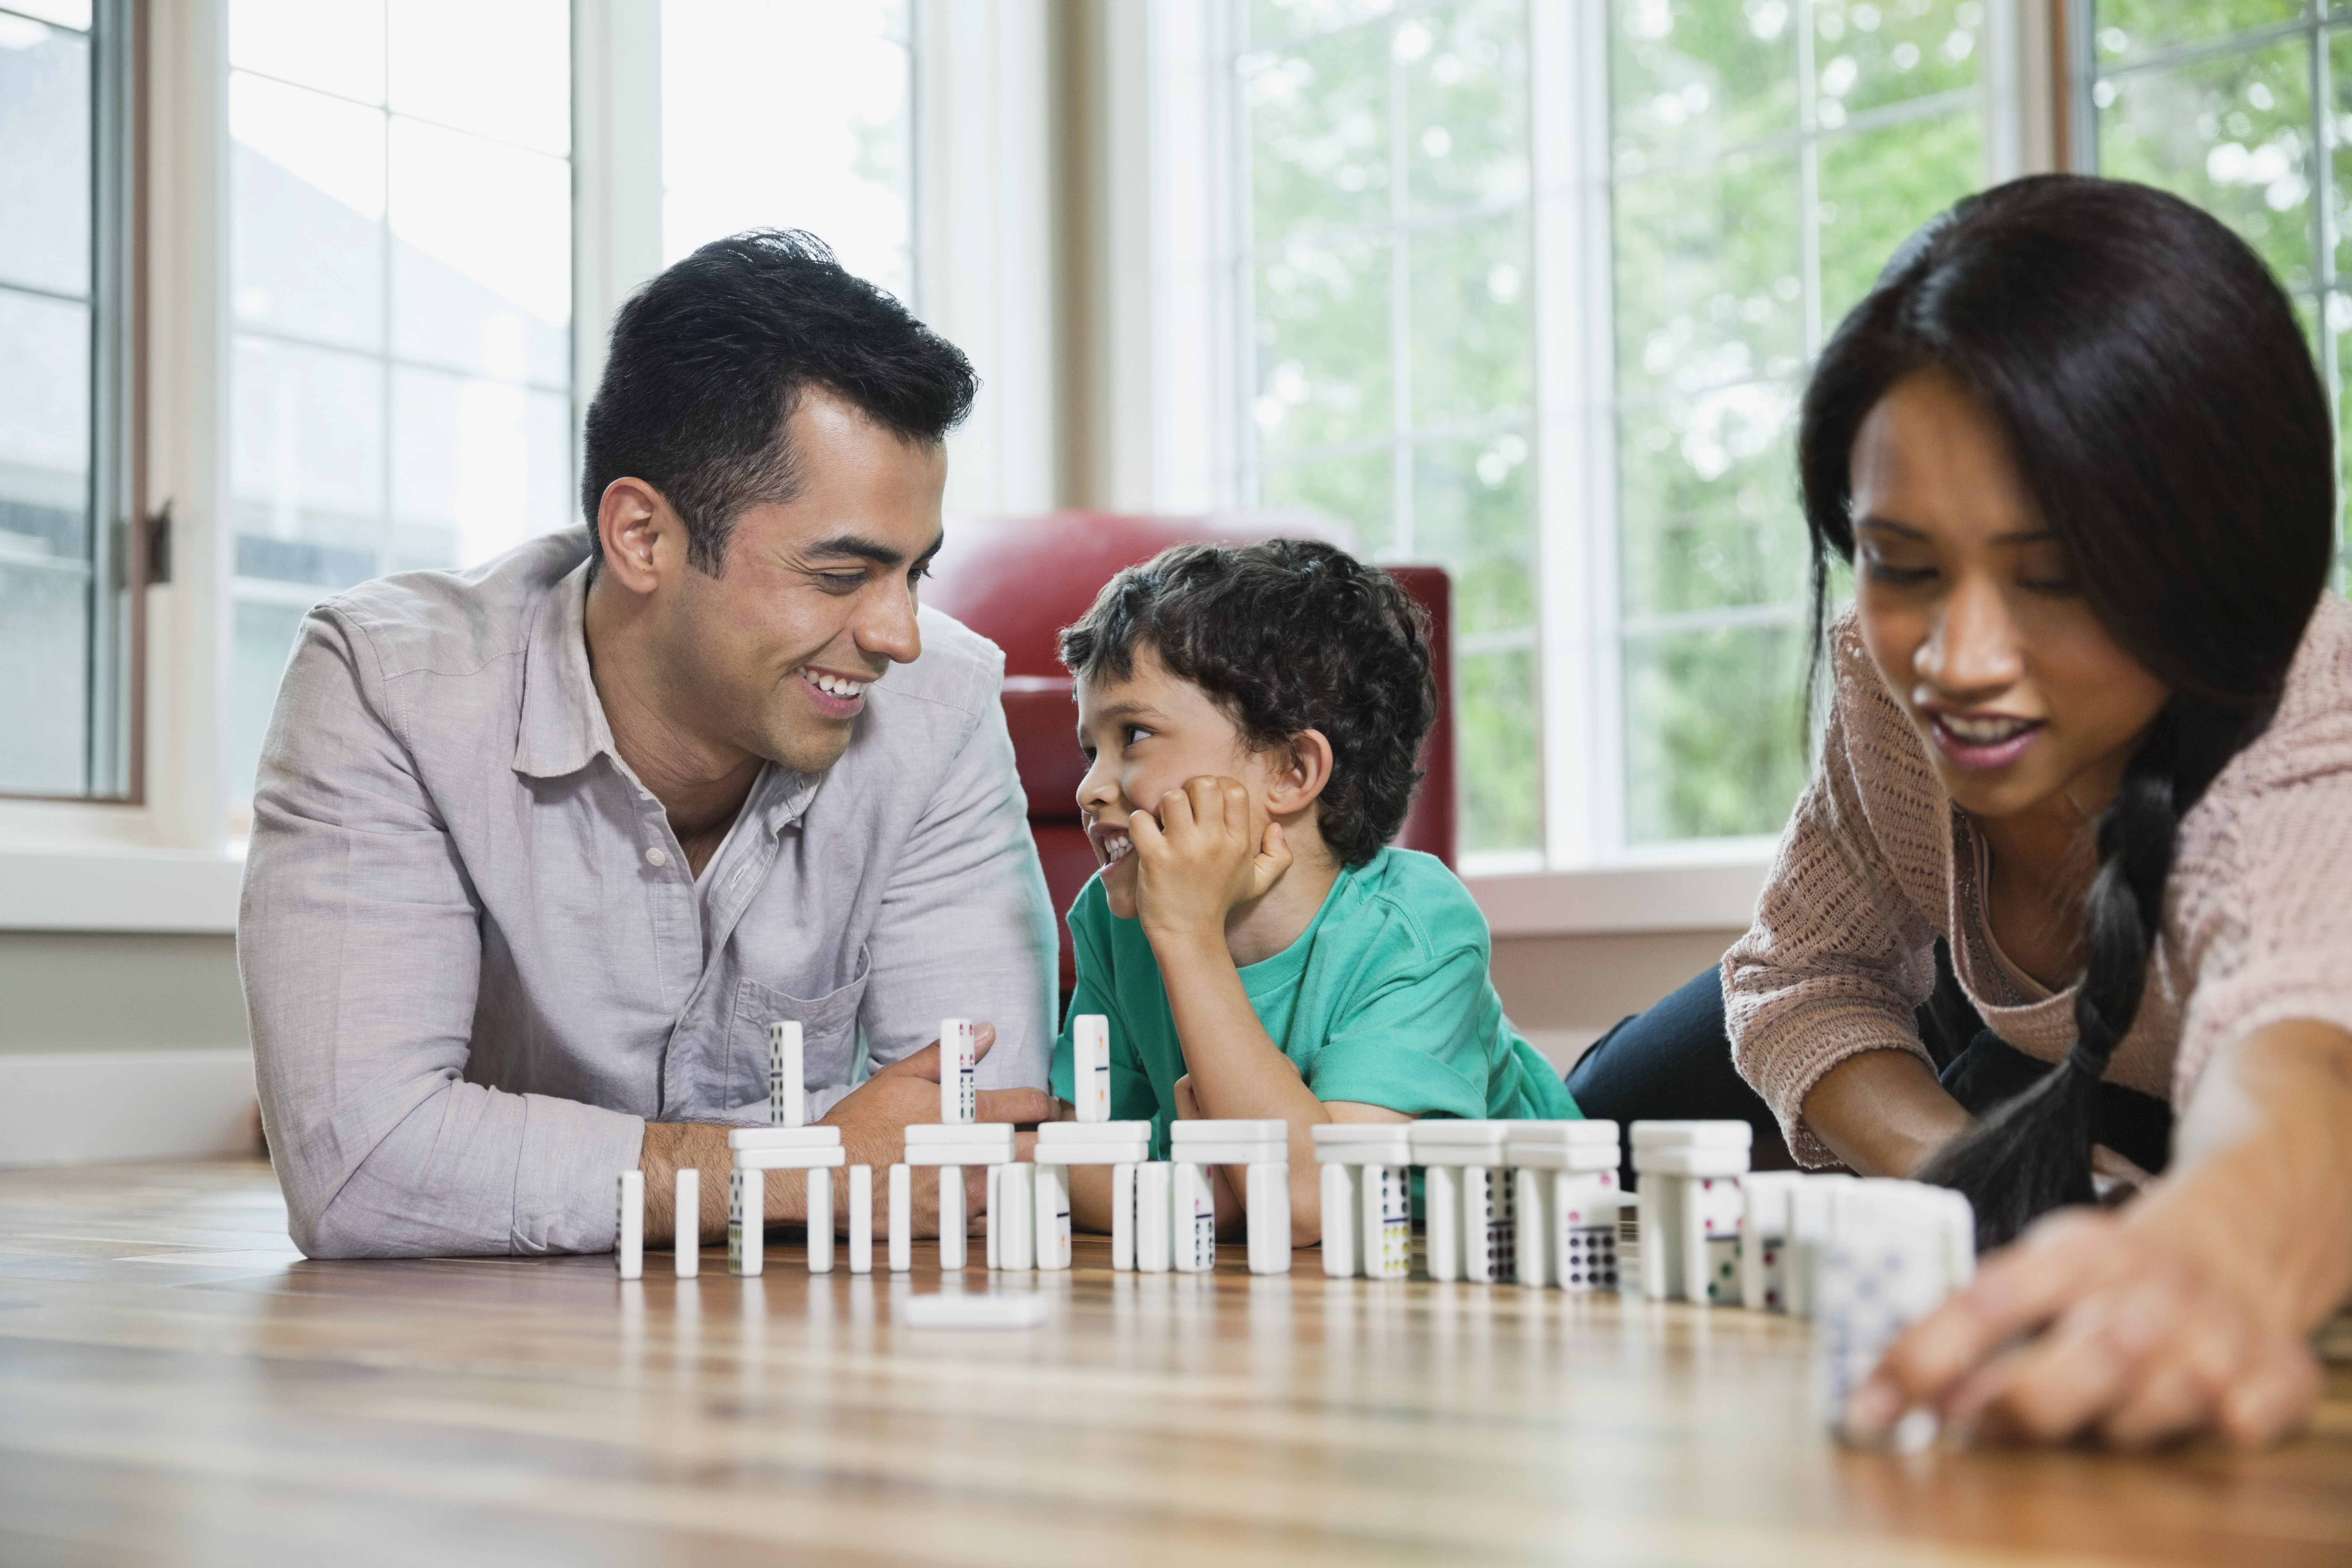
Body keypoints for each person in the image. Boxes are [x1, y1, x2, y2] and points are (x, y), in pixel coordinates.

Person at [1579, 175, 2352, 1447]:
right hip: (1998, 1044)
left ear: (2210, 560)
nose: (1959, 661)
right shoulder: (1892, 681)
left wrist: (2214, 1250)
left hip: (2162, 1082)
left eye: (2055, 577)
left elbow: (2301, 1060)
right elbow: (1799, 976)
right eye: (1905, 563)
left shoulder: (2302, 721)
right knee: (1601, 1113)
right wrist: (1967, 1188)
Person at [241, 232, 1058, 1259]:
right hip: (483, 1369)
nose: (898, 635)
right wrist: (809, 1167)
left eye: (916, 575)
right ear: (641, 537)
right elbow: (361, 1172)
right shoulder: (389, 689)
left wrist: (623, 1171)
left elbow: (978, 1148)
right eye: (843, 575)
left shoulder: (942, 704)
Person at [1040, 540, 1577, 1238]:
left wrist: (1189, 938)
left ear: (1293, 770)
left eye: (1135, 734)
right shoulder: (1113, 922)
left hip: (1518, 1260)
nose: (1088, 788)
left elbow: (1309, 1201)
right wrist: (1224, 1192)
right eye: (1091, 749)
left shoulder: (1417, 924)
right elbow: (1071, 1161)